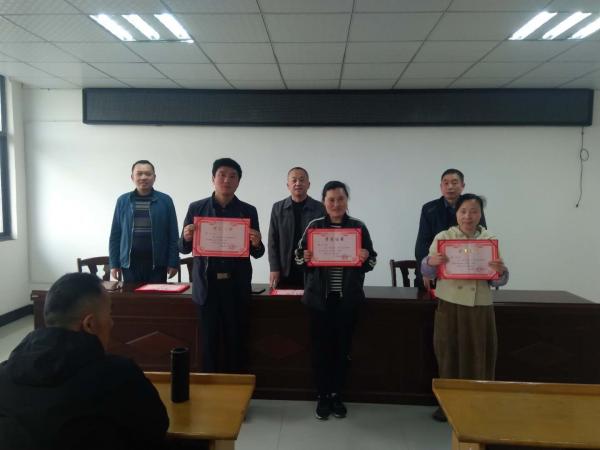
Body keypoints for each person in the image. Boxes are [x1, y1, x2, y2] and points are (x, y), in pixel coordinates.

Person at [0, 272, 169, 450]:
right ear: (90, 324)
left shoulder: (4, 374)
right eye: (109, 314)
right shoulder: (120, 376)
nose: (112, 323)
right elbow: (156, 429)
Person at [420, 193, 508, 422]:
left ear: (481, 214)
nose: (468, 216)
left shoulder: (489, 239)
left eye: (474, 211)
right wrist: (430, 263)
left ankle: (480, 404)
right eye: (463, 211)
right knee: (448, 353)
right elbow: (426, 272)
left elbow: (498, 281)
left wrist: (500, 272)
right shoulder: (444, 237)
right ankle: (448, 406)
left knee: (480, 353)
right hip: (449, 303)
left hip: (480, 305)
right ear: (456, 213)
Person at [295, 181, 377, 420]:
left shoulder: (358, 227)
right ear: (324, 202)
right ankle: (322, 395)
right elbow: (298, 258)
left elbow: (372, 261)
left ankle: (336, 394)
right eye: (331, 199)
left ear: (346, 200)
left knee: (342, 350)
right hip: (319, 302)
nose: (336, 204)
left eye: (341, 199)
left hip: (346, 301)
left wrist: (365, 257)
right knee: (320, 350)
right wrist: (304, 256)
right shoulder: (315, 226)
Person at [179, 158, 264, 373]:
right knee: (209, 343)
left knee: (236, 342)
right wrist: (186, 237)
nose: (227, 180)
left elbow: (258, 253)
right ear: (213, 179)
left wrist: (256, 242)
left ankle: (236, 388)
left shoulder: (248, 211)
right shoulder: (197, 208)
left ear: (238, 182)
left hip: (236, 287)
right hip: (207, 287)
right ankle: (210, 387)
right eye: (222, 175)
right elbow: (183, 248)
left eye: (232, 176)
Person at [414, 169, 486, 290]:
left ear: (462, 186)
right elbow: (422, 244)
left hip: (467, 268)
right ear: (441, 186)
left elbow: (481, 240)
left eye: (454, 182)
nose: (450, 187)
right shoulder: (429, 209)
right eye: (446, 183)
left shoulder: (473, 206)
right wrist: (426, 270)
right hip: (437, 267)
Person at [109, 160, 179, 283]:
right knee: (131, 295)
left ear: (154, 177)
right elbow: (115, 234)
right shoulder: (123, 201)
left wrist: (173, 262)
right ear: (132, 177)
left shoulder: (165, 200)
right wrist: (114, 263)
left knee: (156, 295)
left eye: (148, 174)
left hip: (158, 264)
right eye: (139, 173)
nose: (143, 177)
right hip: (130, 265)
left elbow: (173, 234)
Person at [268, 167, 325, 289]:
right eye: (294, 180)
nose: (298, 183)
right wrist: (274, 268)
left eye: (302, 180)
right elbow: (272, 241)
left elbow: (325, 239)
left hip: (312, 268)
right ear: (288, 185)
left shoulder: (320, 208)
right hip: (285, 269)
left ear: (308, 184)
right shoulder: (278, 208)